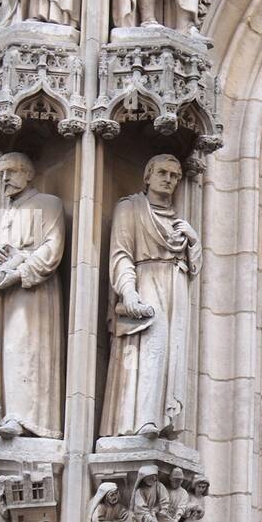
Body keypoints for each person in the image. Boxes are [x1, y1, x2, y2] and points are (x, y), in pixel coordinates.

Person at [100, 155, 201, 439]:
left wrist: (193, 241)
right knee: (149, 351)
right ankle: (142, 419)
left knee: (172, 353)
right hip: (147, 283)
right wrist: (128, 291)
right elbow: (121, 254)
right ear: (147, 176)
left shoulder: (180, 222)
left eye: (174, 175)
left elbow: (194, 268)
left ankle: (164, 419)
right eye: (162, 173)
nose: (168, 179)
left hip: (176, 288)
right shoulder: (129, 208)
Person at [0, 152, 66, 439]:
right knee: (10, 351)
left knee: (27, 349)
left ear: (29, 174)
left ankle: (27, 419)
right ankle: (12, 412)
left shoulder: (47, 203)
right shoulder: (4, 214)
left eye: (12, 171)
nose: (5, 178)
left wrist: (19, 273)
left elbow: (52, 248)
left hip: (34, 293)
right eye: (2, 173)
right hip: (6, 294)